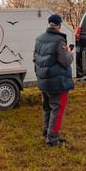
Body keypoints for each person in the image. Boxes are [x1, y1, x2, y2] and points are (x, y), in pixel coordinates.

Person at [33, 14, 74, 147]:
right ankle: (52, 139)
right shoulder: (59, 41)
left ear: (49, 24)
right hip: (58, 82)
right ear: (59, 26)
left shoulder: (39, 39)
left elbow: (35, 59)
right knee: (57, 109)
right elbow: (65, 61)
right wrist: (70, 53)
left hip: (44, 80)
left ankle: (47, 132)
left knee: (47, 108)